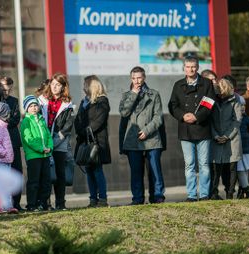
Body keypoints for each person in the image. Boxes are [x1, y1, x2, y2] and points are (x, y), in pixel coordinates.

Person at [168, 56, 216, 202]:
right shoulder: (178, 85)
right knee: (189, 164)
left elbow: (209, 104)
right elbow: (172, 106)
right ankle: (191, 195)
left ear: (198, 67)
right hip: (185, 130)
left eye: (193, 66)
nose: (191, 69)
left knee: (204, 164)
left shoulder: (207, 84)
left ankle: (204, 194)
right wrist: (183, 116)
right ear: (184, 68)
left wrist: (197, 117)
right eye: (188, 67)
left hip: (202, 128)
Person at [119, 67, 165, 205]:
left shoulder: (154, 94)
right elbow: (124, 113)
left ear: (144, 77)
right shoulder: (126, 95)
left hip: (151, 137)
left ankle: (157, 196)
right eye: (134, 78)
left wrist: (147, 130)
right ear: (131, 79)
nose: (137, 81)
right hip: (133, 139)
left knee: (154, 170)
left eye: (139, 78)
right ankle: (138, 198)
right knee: (136, 172)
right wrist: (133, 94)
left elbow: (158, 117)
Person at [74, 75, 111, 207]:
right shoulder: (84, 102)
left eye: (85, 85)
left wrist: (86, 130)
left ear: (92, 86)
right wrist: (80, 130)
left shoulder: (102, 101)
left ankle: (102, 199)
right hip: (85, 140)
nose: (83, 88)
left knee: (97, 170)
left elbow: (99, 121)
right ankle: (92, 199)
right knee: (88, 170)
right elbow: (77, 120)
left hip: (97, 141)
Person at [39, 73, 74, 210]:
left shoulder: (67, 104)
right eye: (53, 84)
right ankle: (45, 203)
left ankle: (60, 203)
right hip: (43, 140)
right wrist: (45, 142)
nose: (54, 87)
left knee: (60, 173)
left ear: (63, 87)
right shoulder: (42, 100)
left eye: (58, 85)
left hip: (60, 140)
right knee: (46, 173)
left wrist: (53, 143)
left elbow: (67, 126)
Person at [210, 78, 242, 200]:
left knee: (232, 167)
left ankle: (230, 193)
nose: (221, 92)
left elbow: (237, 120)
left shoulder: (236, 99)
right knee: (216, 168)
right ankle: (214, 193)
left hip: (232, 139)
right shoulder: (212, 100)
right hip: (216, 138)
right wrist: (216, 135)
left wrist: (227, 136)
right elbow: (210, 121)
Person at [20, 95, 53, 212]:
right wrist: (41, 148)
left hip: (45, 155)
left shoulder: (42, 119)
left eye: (35, 105)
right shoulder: (26, 121)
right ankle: (32, 204)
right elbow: (28, 139)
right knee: (34, 181)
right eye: (30, 106)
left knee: (46, 181)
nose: (34, 108)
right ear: (26, 108)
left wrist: (50, 147)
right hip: (34, 156)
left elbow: (48, 136)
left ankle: (43, 203)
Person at [0, 76, 23, 211]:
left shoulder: (14, 101)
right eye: (3, 89)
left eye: (8, 90)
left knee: (16, 170)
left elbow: (15, 119)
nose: (5, 92)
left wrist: (2, 121)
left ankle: (16, 203)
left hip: (13, 140)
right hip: (0, 141)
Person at [0, 102, 17, 213]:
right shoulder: (0, 127)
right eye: (8, 112)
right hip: (1, 161)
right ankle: (0, 206)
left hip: (4, 160)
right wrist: (4, 153)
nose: (9, 114)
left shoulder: (1, 126)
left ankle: (7, 206)